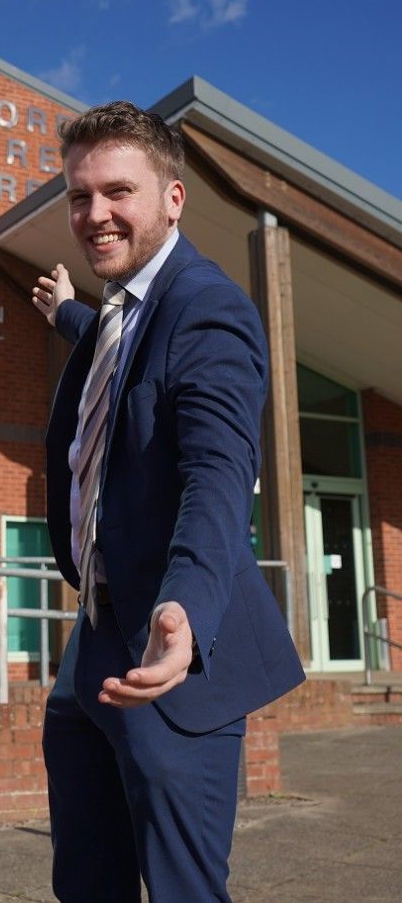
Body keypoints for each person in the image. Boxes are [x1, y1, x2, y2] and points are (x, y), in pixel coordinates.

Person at [31, 101, 304, 902]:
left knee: (183, 889)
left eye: (119, 191)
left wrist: (182, 606)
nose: (95, 214)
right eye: (80, 196)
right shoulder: (119, 313)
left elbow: (219, 474)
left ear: (173, 198)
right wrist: (63, 312)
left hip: (170, 649)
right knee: (85, 880)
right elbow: (114, 347)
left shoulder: (208, 308)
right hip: (92, 643)